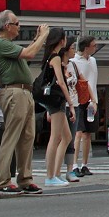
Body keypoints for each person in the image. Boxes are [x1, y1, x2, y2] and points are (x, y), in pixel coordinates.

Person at [0, 10, 50, 194]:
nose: (19, 27)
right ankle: (3, 180)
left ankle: (25, 178)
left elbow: (27, 52)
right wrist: (43, 36)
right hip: (14, 92)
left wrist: (37, 38)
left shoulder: (9, 45)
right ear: (7, 26)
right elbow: (30, 53)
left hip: (25, 92)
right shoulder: (1, 44)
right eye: (16, 24)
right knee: (12, 136)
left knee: (27, 137)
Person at [40, 27, 76, 187]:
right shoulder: (55, 58)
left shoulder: (51, 57)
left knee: (66, 137)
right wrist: (71, 103)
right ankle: (50, 176)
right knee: (55, 137)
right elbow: (61, 83)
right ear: (61, 41)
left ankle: (56, 173)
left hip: (54, 101)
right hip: (56, 101)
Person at [69, 36, 99, 178]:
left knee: (88, 133)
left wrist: (95, 100)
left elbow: (92, 81)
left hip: (90, 100)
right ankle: (74, 165)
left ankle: (85, 164)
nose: (95, 47)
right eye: (93, 45)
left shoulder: (93, 61)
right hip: (78, 100)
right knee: (78, 133)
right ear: (86, 47)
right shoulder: (73, 61)